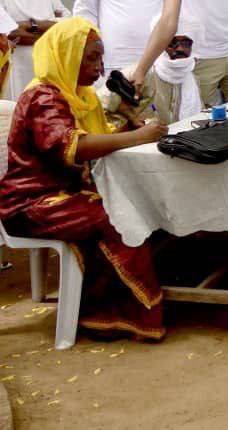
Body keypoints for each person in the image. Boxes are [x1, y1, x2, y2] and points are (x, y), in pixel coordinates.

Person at [0, 18, 168, 340]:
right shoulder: (43, 98)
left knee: (134, 204)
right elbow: (74, 147)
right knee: (119, 216)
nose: (99, 67)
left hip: (63, 193)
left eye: (101, 58)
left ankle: (120, 301)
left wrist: (130, 130)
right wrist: (137, 138)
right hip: (31, 203)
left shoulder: (78, 95)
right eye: (91, 57)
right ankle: (106, 313)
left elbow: (94, 139)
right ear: (65, 54)